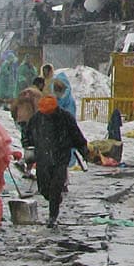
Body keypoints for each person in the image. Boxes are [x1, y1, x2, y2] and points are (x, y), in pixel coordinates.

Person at [30, 94, 90, 228]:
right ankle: (54, 199)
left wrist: (83, 150)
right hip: (42, 158)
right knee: (44, 188)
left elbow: (76, 135)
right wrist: (27, 147)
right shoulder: (36, 118)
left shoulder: (66, 118)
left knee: (56, 187)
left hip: (61, 158)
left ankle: (52, 216)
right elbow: (27, 134)